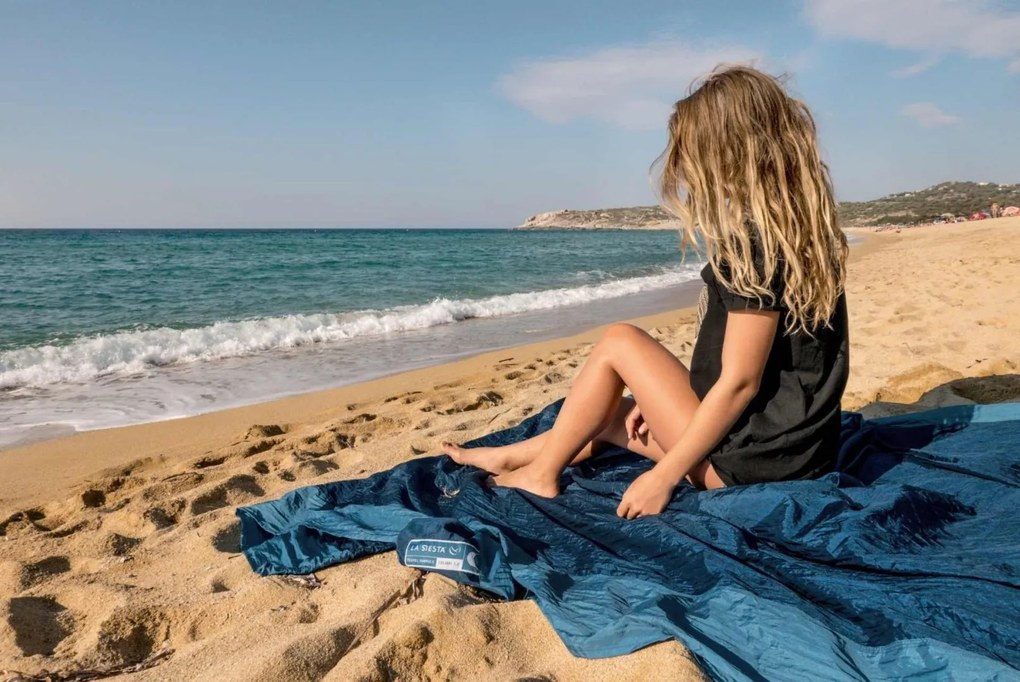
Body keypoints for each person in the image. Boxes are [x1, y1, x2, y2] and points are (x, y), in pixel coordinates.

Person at [443, 65, 849, 519]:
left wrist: (664, 476)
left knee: (619, 341)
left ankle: (541, 475)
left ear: (726, 153)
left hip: (755, 468)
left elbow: (739, 383)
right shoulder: (804, 232)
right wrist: (665, 407)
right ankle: (514, 456)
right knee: (618, 412)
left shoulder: (753, 244)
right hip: (800, 454)